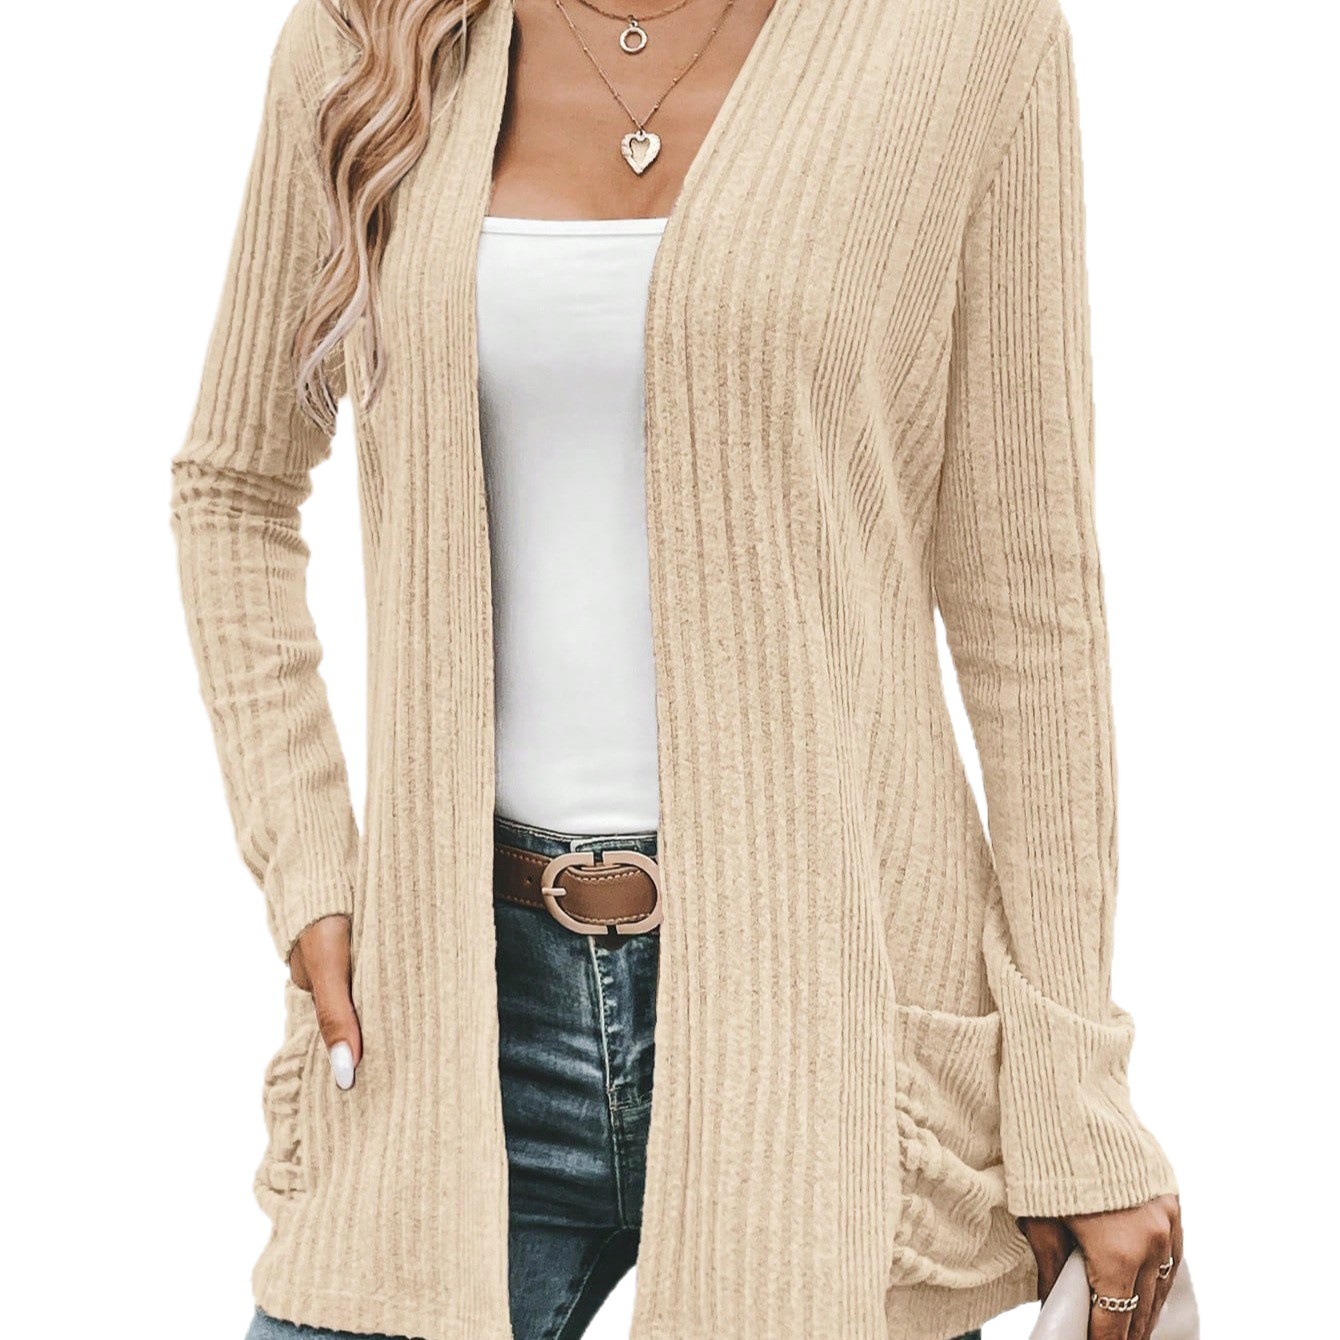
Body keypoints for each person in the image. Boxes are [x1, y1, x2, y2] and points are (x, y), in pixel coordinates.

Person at [169, 0, 1185, 1338]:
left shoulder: (964, 38)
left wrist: (1075, 1093)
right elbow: (233, 490)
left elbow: (1027, 600)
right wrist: (309, 863)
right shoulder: (373, 35)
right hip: (453, 1015)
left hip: (829, 1020)